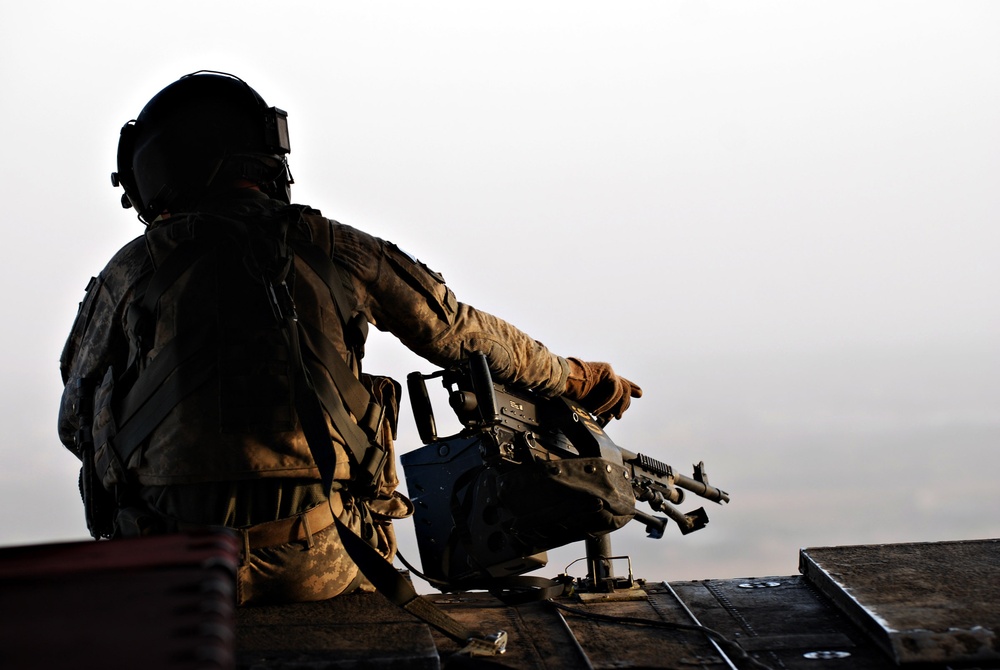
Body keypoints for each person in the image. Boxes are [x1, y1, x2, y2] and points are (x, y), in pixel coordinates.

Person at [57, 71, 641, 605]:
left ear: (158, 173)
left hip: (172, 569)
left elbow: (74, 424)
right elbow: (462, 335)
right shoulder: (340, 249)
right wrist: (576, 377)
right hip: (323, 559)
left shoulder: (129, 273)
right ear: (265, 156)